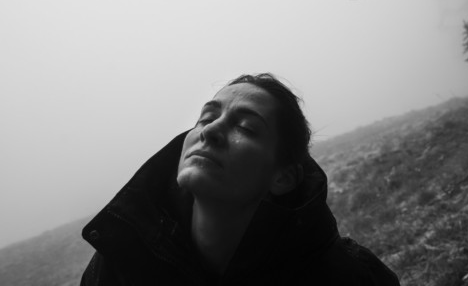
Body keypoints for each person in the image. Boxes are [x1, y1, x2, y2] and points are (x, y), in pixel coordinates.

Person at [80, 73, 400, 285]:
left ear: (283, 177)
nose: (210, 130)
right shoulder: (120, 262)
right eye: (206, 117)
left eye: (245, 127)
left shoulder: (348, 277)